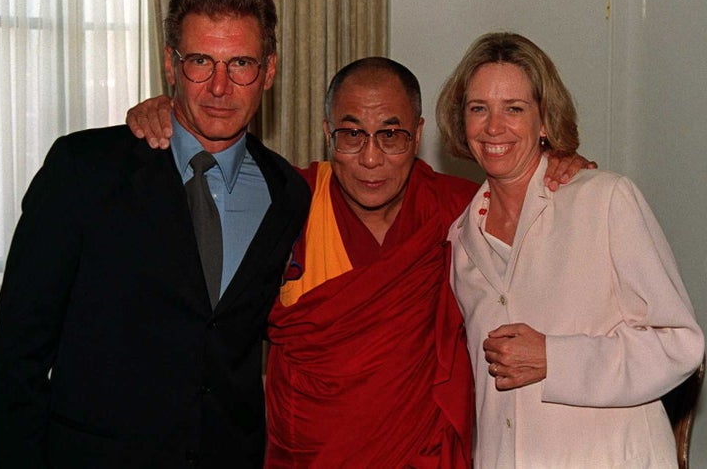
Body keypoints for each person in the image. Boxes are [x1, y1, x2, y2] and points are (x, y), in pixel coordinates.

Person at [127, 55, 593, 466]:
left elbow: (538, 211)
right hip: (310, 453)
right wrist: (169, 116)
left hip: (422, 454)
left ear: (418, 134)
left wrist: (559, 163)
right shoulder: (285, 200)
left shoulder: (461, 207)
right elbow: (192, 203)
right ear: (328, 132)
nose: (371, 159)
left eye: (391, 135)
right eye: (351, 135)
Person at [0, 0, 310, 469]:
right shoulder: (84, 169)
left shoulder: (288, 192)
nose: (220, 86)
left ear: (268, 71)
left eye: (240, 63)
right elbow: (18, 355)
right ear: (170, 65)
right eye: (201, 61)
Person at [437, 32, 705, 468]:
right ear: (460, 121)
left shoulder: (604, 199)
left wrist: (554, 358)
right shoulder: (460, 240)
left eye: (515, 109)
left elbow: (680, 345)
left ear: (544, 120)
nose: (493, 127)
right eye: (478, 108)